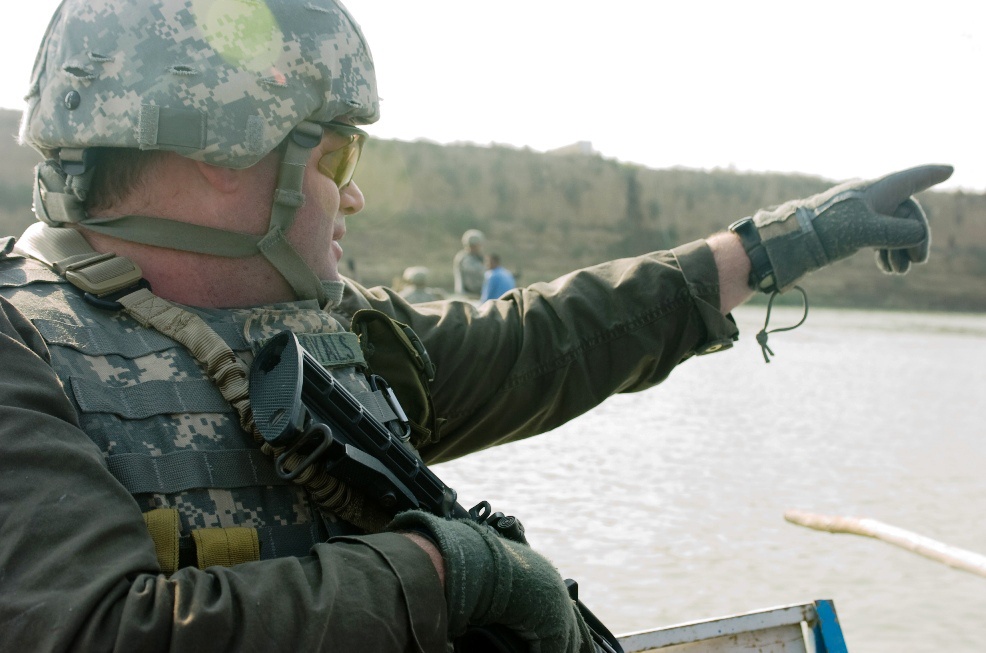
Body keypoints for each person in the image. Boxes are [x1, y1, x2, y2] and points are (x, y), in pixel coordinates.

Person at [0, 0, 952, 651]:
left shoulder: (329, 336)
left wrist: (781, 243)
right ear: (222, 151)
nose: (354, 191)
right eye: (333, 151)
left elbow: (539, 341)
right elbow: (92, 630)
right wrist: (457, 573)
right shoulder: (20, 350)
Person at [452, 228, 486, 296]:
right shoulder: (464, 258)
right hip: (468, 295)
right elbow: (477, 272)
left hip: (480, 294)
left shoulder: (479, 257)